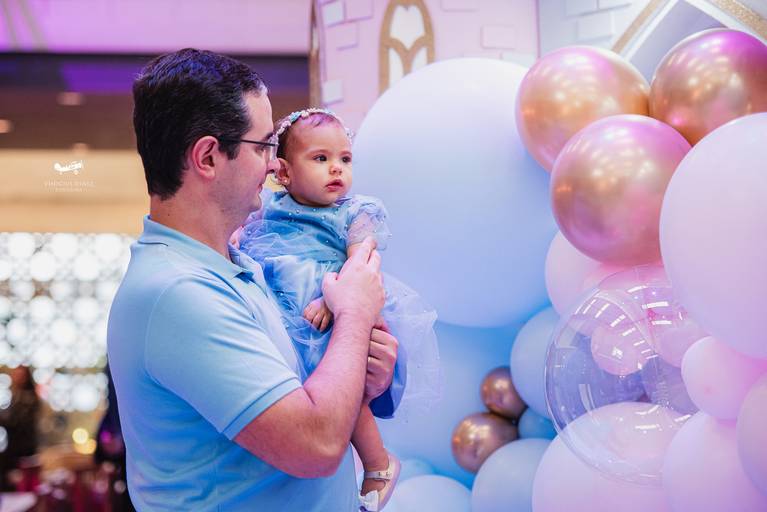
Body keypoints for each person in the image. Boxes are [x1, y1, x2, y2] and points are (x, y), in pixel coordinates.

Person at [107, 48, 399, 511]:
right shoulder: (179, 292)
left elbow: (307, 395)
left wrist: (361, 375)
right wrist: (355, 315)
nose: (273, 165)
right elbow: (316, 445)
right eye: (263, 146)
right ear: (208, 157)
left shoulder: (240, 265)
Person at [236, 108, 440, 511]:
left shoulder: (355, 211)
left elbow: (361, 261)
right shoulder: (267, 207)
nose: (336, 169)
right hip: (285, 308)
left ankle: (378, 462)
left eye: (345, 159)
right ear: (284, 172)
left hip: (332, 304)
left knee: (344, 387)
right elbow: (241, 238)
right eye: (320, 158)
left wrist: (333, 299)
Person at [0, 366, 40, 491]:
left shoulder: (29, 398)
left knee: (25, 480)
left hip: (25, 446)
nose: (18, 378)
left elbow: (18, 421)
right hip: (13, 445)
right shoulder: (15, 395)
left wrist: (5, 420)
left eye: (21, 375)